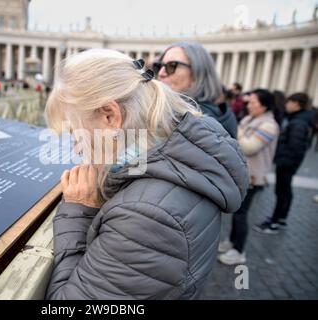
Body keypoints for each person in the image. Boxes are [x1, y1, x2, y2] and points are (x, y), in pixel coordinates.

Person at [44, 49, 248, 299]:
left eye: (76, 132)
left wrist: (79, 210)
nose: (76, 146)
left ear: (110, 116)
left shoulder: (144, 217)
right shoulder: (182, 155)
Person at [218, 89, 279, 265]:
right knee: (237, 211)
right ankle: (231, 242)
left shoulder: (269, 125)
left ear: (264, 106)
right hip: (243, 173)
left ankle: (239, 250)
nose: (249, 105)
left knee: (241, 214)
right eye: (249, 102)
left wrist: (235, 130)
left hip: (253, 177)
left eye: (253, 102)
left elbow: (249, 147)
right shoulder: (248, 119)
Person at [254, 93, 313, 234]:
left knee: (283, 192)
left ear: (296, 104)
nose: (286, 105)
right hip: (287, 162)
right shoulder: (297, 119)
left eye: (289, 102)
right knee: (282, 192)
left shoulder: (298, 122)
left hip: (287, 163)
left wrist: (283, 160)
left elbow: (295, 147)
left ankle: (277, 221)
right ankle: (278, 218)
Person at [155, 42, 237, 138]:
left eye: (172, 66)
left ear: (196, 74)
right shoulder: (222, 114)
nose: (161, 73)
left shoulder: (191, 121)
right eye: (159, 66)